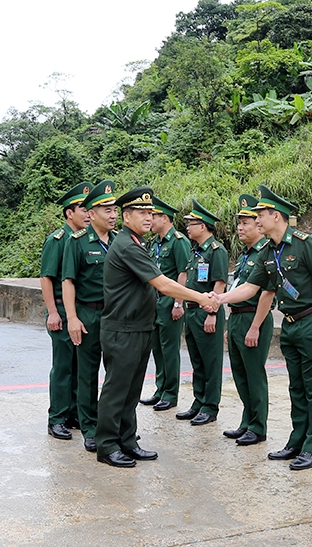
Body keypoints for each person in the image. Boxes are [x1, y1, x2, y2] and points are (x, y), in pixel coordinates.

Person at [95, 187, 221, 467]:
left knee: (131, 390)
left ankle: (127, 441)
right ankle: (106, 445)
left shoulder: (138, 242)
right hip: (123, 329)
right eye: (141, 213)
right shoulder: (127, 245)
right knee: (117, 389)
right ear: (126, 217)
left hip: (138, 326)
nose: (148, 218)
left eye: (150, 213)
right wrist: (202, 297)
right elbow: (162, 283)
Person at [217, 185, 312, 471]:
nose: (257, 220)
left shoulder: (305, 244)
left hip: (311, 322)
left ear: (277, 216)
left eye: (261, 215)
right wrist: (219, 298)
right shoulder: (269, 251)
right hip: (291, 325)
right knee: (296, 387)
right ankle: (297, 440)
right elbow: (250, 287)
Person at [61, 181, 117, 453]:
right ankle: (90, 428)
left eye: (114, 208)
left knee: (117, 373)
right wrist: (72, 317)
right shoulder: (78, 242)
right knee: (87, 374)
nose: (112, 214)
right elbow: (68, 281)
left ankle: (113, 426)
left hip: (115, 316)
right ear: (92, 213)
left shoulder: (121, 241)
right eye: (106, 209)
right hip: (89, 314)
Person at [222, 195, 275, 446]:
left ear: (258, 225)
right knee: (240, 374)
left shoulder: (266, 252)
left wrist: (255, 327)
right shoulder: (245, 254)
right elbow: (237, 286)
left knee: (254, 375)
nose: (240, 228)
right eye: (239, 223)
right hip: (236, 317)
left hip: (254, 318)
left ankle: (258, 426)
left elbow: (267, 292)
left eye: (246, 223)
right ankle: (247, 421)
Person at [40, 182, 92, 441]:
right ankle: (57, 418)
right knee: (62, 367)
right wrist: (53, 312)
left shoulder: (84, 240)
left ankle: (73, 414)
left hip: (80, 311)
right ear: (68, 213)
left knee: (79, 366)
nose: (87, 213)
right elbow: (47, 278)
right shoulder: (58, 240)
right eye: (82, 208)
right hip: (61, 310)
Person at [175, 199, 228, 426]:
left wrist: (213, 313)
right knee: (197, 360)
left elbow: (219, 284)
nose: (187, 227)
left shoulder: (217, 251)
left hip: (207, 312)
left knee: (211, 362)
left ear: (204, 226)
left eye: (192, 223)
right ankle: (199, 401)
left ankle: (210, 406)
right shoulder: (195, 251)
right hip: (192, 311)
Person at [140, 197, 191, 411]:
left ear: (165, 218)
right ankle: (160, 388)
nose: (150, 220)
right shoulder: (155, 243)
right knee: (157, 349)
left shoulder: (178, 241)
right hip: (155, 303)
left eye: (153, 216)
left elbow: (183, 273)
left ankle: (171, 394)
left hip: (170, 302)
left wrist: (179, 303)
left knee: (170, 349)